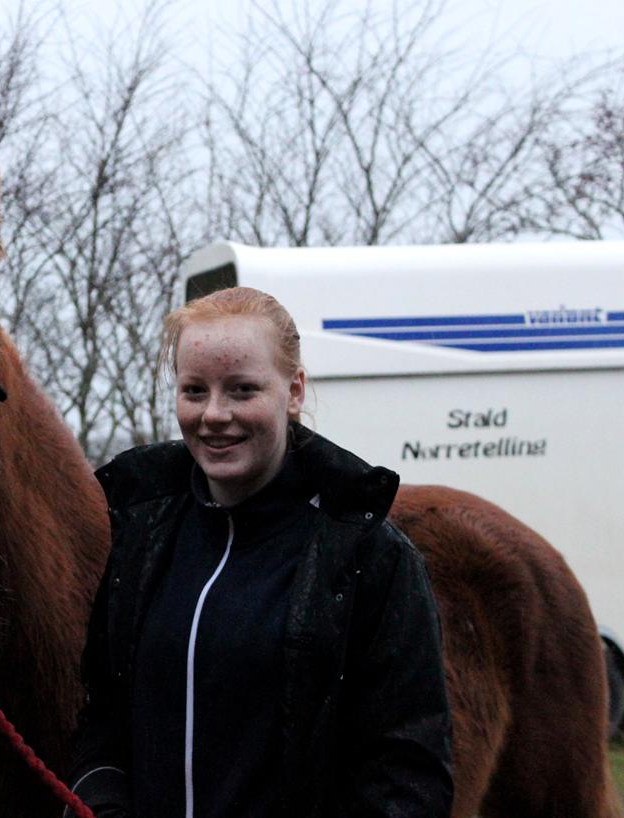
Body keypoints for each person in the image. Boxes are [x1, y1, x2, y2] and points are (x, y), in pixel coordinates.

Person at [65, 287, 453, 818]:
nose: (214, 415)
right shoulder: (140, 536)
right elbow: (105, 717)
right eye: (194, 390)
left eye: (243, 390)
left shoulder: (370, 557)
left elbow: (408, 773)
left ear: (293, 392)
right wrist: (102, 800)